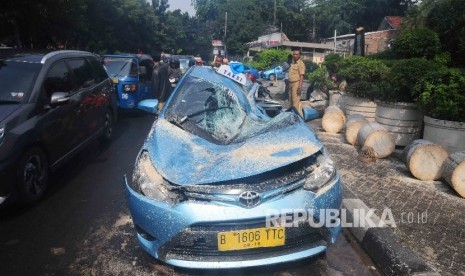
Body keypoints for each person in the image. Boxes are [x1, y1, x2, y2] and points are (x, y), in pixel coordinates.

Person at [288, 49, 306, 117]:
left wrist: (299, 87)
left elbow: (302, 76)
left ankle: (296, 118)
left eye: (296, 54)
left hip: (296, 83)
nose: (295, 55)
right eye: (294, 54)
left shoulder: (301, 64)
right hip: (290, 83)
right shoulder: (293, 63)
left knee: (295, 102)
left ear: (300, 55)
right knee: (290, 101)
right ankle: (291, 116)